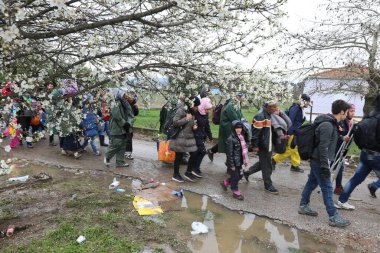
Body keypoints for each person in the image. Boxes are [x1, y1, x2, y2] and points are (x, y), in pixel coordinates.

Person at [298, 99, 351, 227]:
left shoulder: (331, 123)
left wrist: (342, 137)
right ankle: (333, 216)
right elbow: (323, 147)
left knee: (311, 183)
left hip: (320, 160)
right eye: (347, 112)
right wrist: (324, 166)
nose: (348, 115)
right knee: (327, 188)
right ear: (342, 112)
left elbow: (330, 138)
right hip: (320, 160)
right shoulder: (328, 125)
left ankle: (303, 205)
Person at [336, 93, 380, 210]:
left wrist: (362, 147)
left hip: (365, 153)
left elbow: (358, 132)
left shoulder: (369, 115)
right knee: (357, 179)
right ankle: (374, 185)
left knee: (356, 179)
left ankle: (341, 201)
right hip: (377, 155)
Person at [244, 101, 279, 194]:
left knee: (265, 162)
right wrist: (255, 146)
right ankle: (268, 185)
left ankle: (247, 172)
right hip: (263, 145)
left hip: (268, 144)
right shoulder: (260, 116)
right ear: (268, 107)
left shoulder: (268, 114)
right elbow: (255, 133)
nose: (276, 108)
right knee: (267, 165)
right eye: (274, 107)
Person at [272, 94, 311, 173]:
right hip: (292, 132)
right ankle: (273, 160)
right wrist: (289, 133)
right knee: (290, 150)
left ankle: (295, 165)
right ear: (303, 101)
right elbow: (290, 122)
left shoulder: (301, 109)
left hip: (296, 132)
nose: (308, 104)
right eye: (307, 102)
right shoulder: (295, 108)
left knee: (295, 149)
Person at [169, 96, 200, 182]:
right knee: (179, 156)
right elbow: (175, 122)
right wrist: (186, 119)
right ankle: (175, 175)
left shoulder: (191, 111)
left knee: (194, 153)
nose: (197, 108)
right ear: (192, 104)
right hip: (180, 136)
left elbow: (190, 122)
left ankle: (188, 172)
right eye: (196, 106)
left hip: (189, 136)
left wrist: (194, 126)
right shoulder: (181, 110)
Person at [104, 89, 135, 168]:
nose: (125, 95)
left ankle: (120, 161)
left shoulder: (125, 102)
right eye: (124, 93)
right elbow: (116, 115)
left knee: (123, 144)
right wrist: (124, 124)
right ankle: (107, 157)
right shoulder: (114, 102)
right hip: (117, 127)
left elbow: (130, 114)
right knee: (116, 143)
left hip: (125, 127)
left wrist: (128, 123)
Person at [221, 121, 249, 200]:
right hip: (233, 162)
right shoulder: (230, 139)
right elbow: (229, 154)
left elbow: (243, 149)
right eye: (237, 128)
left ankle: (226, 182)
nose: (238, 130)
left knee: (240, 175)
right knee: (236, 177)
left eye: (240, 128)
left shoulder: (241, 137)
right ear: (233, 128)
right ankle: (235, 191)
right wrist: (231, 165)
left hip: (240, 161)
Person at [334, 104, 356, 195]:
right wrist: (342, 137)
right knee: (338, 166)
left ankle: (338, 187)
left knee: (339, 167)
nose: (353, 113)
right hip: (336, 148)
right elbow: (336, 133)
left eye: (354, 111)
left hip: (343, 149)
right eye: (351, 111)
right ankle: (338, 187)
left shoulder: (351, 122)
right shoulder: (341, 121)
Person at [193, 97, 213, 177]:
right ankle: (194, 168)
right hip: (196, 135)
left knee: (199, 152)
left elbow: (207, 126)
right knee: (202, 151)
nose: (208, 111)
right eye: (206, 109)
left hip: (202, 135)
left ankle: (195, 168)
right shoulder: (196, 113)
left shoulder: (205, 114)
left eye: (208, 109)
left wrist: (210, 137)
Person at [125, 92, 139, 160]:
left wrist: (136, 108)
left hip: (130, 123)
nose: (131, 98)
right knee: (127, 138)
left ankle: (127, 153)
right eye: (130, 97)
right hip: (125, 123)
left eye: (132, 97)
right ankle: (127, 153)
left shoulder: (133, 105)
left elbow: (136, 113)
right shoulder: (124, 103)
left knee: (129, 137)